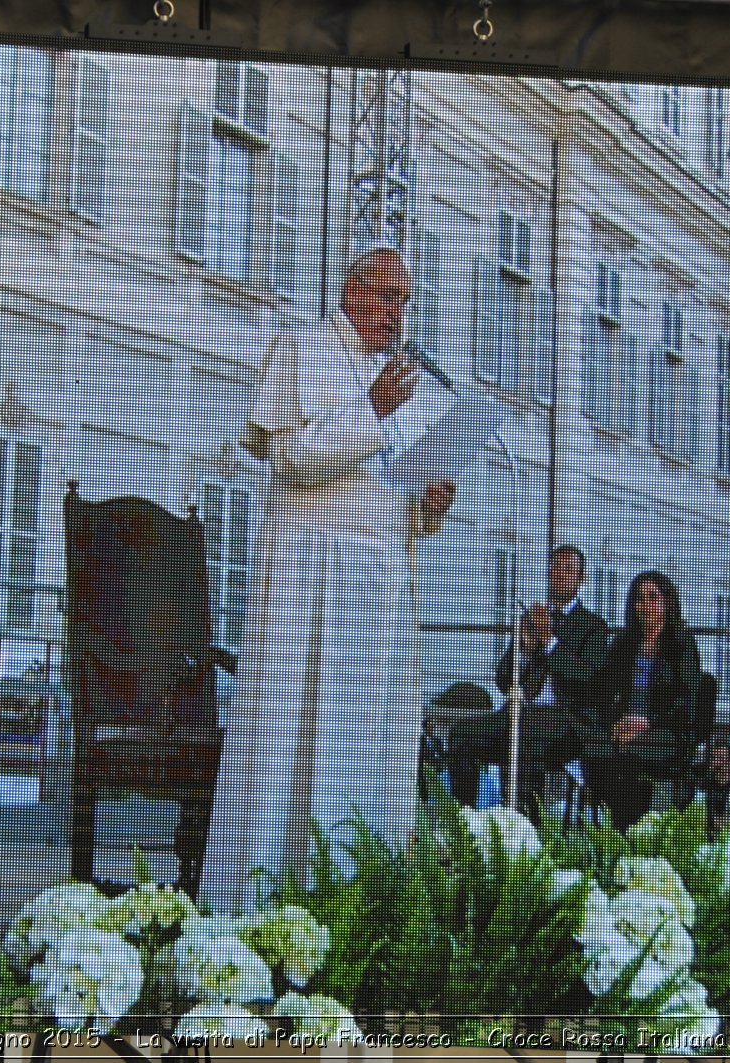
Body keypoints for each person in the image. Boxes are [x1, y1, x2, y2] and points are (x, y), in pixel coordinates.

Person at [199, 246, 456, 912]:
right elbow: (290, 459)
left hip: (381, 586)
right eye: (388, 296)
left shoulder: (406, 380)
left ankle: (359, 898)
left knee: (369, 742)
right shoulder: (301, 347)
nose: (398, 313)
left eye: (406, 300)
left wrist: (428, 509)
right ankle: (274, 895)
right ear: (354, 290)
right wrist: (369, 410)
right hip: (311, 575)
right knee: (296, 731)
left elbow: (395, 487)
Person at [445, 545, 610, 815]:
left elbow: (590, 678)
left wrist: (549, 643)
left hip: (568, 724)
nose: (560, 574)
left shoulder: (593, 625)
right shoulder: (533, 618)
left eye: (568, 570)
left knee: (527, 731)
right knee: (461, 735)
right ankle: (463, 819)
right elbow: (503, 678)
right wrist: (523, 648)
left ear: (581, 580)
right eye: (555, 568)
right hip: (522, 714)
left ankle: (524, 824)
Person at [582, 571, 703, 831]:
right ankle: (604, 831)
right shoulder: (622, 644)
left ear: (667, 602)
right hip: (623, 729)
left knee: (627, 760)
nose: (645, 605)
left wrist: (647, 723)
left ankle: (628, 831)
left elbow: (687, 703)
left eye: (652, 598)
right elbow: (602, 695)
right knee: (595, 750)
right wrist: (615, 723)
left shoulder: (682, 645)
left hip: (666, 731)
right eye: (639, 599)